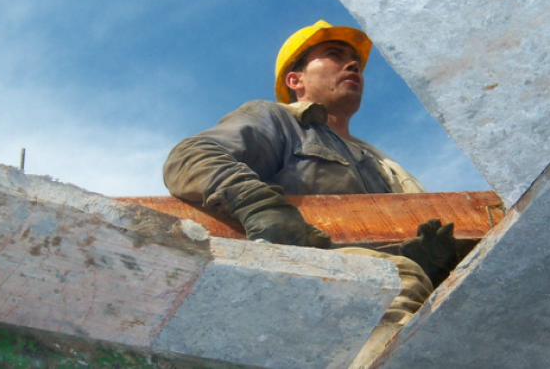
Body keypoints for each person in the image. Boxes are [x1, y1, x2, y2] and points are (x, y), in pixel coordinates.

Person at [162, 20, 457, 366]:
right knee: (398, 281)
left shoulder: (382, 165)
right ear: (295, 80)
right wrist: (260, 206)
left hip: (357, 285)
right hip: (295, 273)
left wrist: (431, 265)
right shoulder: (279, 120)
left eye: (356, 63)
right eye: (334, 55)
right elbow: (190, 157)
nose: (352, 66)